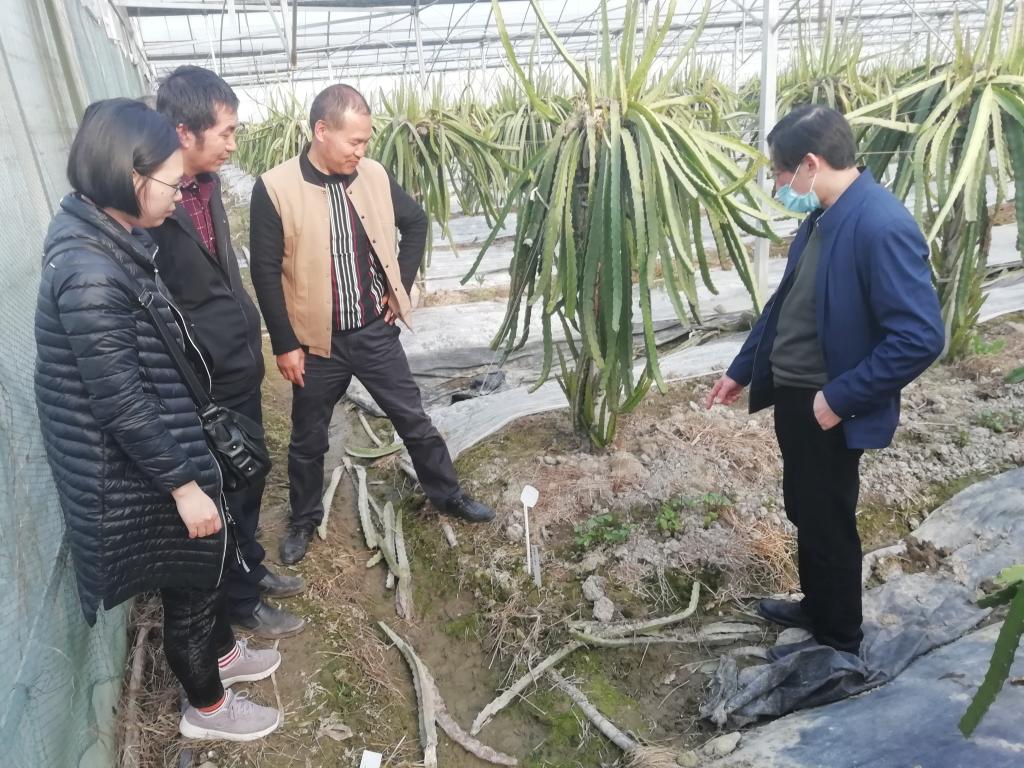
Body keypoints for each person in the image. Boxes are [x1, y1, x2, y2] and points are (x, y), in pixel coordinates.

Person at [34, 98, 282, 741]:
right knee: (191, 578)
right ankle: (207, 709)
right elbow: (120, 400)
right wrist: (183, 484)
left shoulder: (106, 236)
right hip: (132, 465)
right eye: (172, 184)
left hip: (156, 442)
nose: (179, 196)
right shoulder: (89, 272)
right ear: (130, 176)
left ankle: (222, 654)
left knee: (201, 567)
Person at [705, 105, 944, 658]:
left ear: (810, 164)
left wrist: (839, 399)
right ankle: (818, 606)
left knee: (829, 518)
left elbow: (920, 337)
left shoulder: (880, 226)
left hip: (828, 405)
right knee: (805, 508)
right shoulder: (822, 217)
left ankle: (839, 641)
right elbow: (785, 304)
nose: (778, 184)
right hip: (798, 396)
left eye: (780, 172)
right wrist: (742, 370)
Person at [249, 84, 496, 566]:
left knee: (413, 419)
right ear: (321, 131)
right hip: (315, 343)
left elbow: (417, 222)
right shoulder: (275, 188)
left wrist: (397, 285)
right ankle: (303, 520)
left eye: (366, 141)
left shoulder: (374, 176)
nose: (361, 151)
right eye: (354, 141)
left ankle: (448, 495)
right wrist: (284, 343)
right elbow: (263, 270)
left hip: (372, 332)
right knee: (308, 438)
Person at [149, 66, 305, 639]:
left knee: (250, 473)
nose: (233, 144)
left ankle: (250, 568)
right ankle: (240, 601)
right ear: (184, 132)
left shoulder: (206, 187)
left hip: (238, 362)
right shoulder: (152, 208)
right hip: (205, 378)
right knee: (225, 486)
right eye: (227, 132)